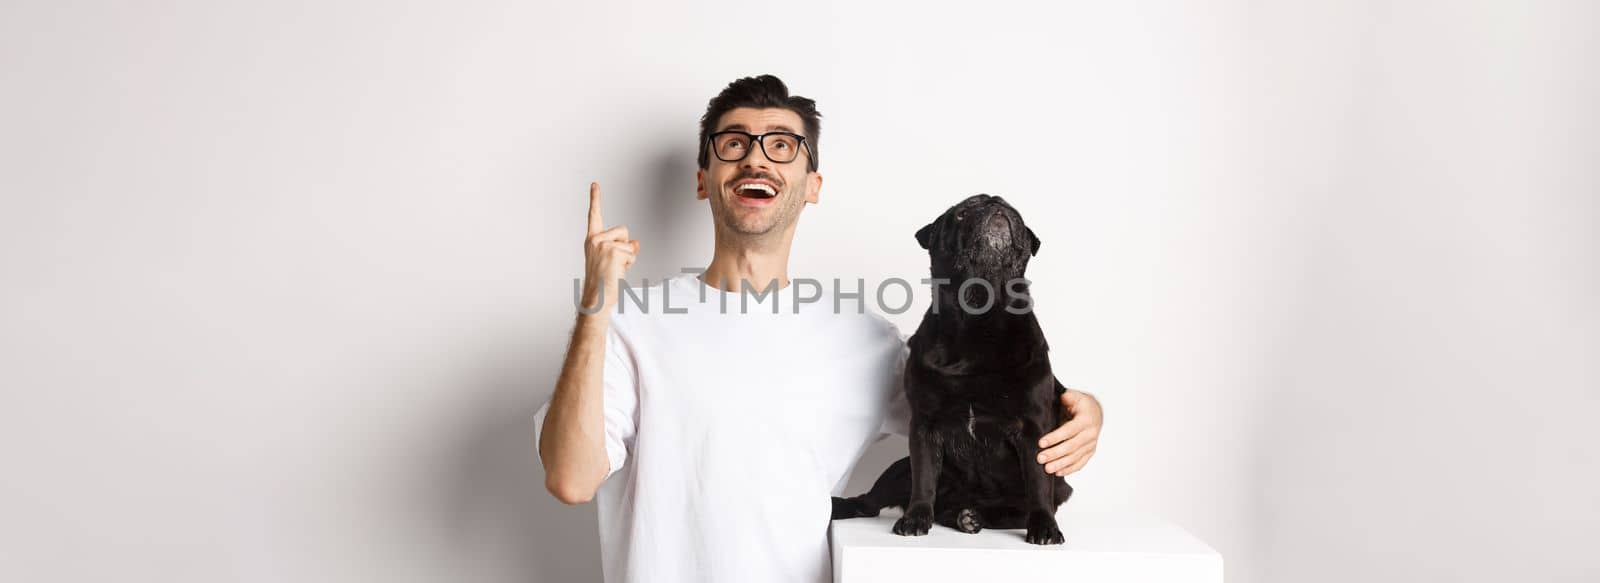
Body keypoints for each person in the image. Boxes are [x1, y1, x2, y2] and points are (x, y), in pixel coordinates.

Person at [534, 75, 1104, 583]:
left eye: (782, 146)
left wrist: (1082, 409)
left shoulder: (866, 337)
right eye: (734, 143)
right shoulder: (630, 320)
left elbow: (978, 414)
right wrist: (594, 303)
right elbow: (570, 479)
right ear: (704, 179)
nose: (757, 159)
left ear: (812, 185)